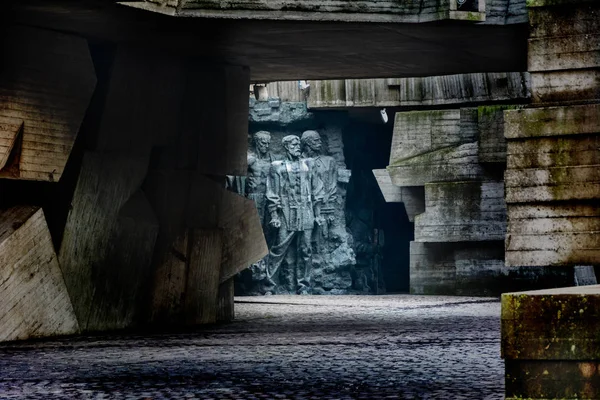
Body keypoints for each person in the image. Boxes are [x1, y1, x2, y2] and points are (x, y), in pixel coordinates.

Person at [266, 135, 324, 294]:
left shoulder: (309, 165)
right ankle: (270, 286)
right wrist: (274, 215)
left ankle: (304, 286)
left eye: (299, 144)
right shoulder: (277, 166)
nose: (297, 146)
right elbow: (272, 192)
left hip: (306, 210)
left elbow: (317, 190)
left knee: (306, 250)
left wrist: (317, 214)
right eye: (294, 144)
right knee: (279, 248)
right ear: (286, 147)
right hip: (286, 211)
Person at [301, 130, 338, 244]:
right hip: (303, 206)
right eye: (316, 140)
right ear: (307, 143)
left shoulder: (329, 161)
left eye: (320, 140)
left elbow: (333, 185)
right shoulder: (298, 162)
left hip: (324, 205)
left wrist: (330, 209)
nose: (320, 143)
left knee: (323, 239)